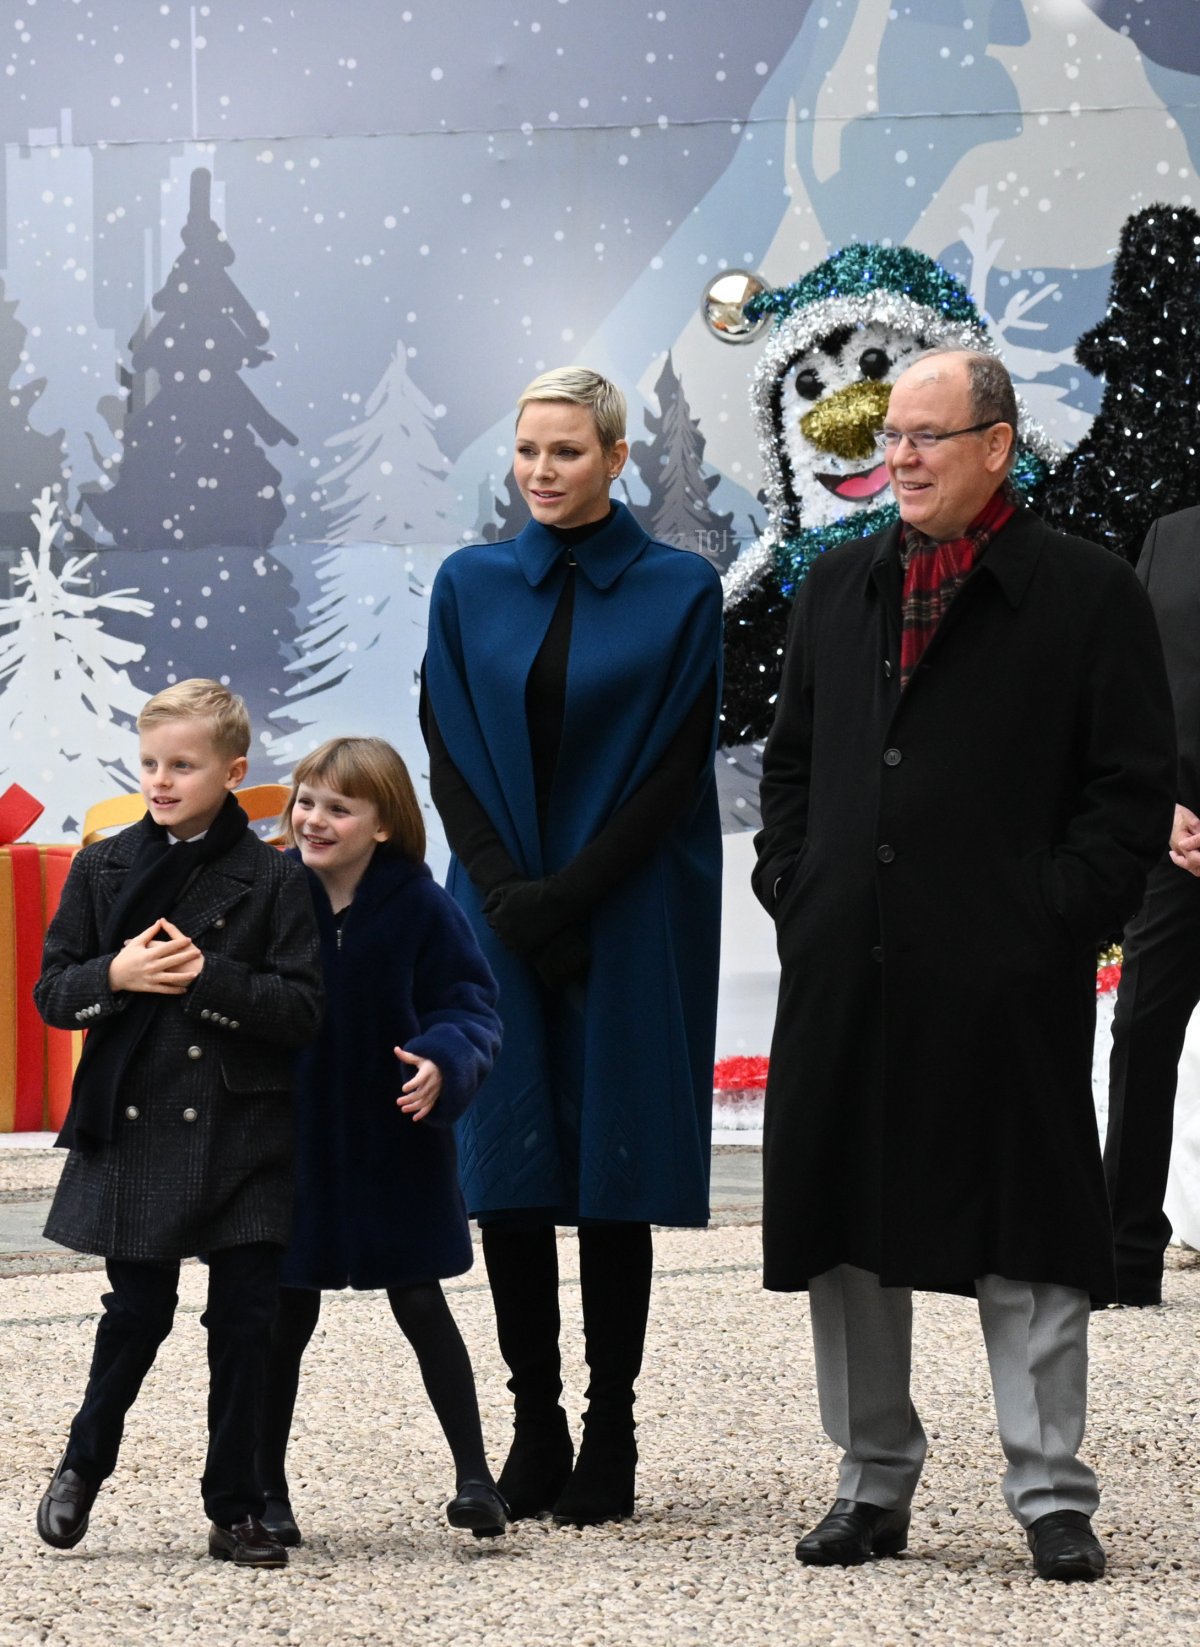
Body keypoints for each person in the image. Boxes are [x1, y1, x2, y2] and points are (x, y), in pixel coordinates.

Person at [752, 349, 1175, 1581]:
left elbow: (1129, 787)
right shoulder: (837, 587)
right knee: (845, 1225)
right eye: (893, 437)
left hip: (1005, 972)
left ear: (997, 445)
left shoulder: (1087, 593)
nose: (904, 458)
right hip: (847, 964)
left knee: (1029, 1227)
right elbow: (790, 767)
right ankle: (870, 1482)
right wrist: (800, 889)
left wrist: (1054, 917)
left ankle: (1050, 1492)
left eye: (931, 436)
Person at [422, 366, 723, 1527]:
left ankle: (612, 1427)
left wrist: (574, 897)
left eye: (567, 452)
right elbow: (445, 744)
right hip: (497, 912)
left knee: (614, 1170)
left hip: (627, 907)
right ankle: (534, 1423)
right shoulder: (470, 584)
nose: (543, 471)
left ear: (614, 458)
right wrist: (505, 891)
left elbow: (670, 767)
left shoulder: (678, 589)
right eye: (528, 451)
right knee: (506, 1167)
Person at [34, 679, 323, 1568]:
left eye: (183, 765)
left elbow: (305, 1010)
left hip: (245, 1136)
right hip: (139, 1124)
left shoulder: (276, 876)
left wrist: (210, 979)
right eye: (151, 762)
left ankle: (235, 1506)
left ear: (232, 771)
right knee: (137, 1313)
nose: (161, 780)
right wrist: (115, 976)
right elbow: (53, 990)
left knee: (248, 1321)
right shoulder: (102, 865)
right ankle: (83, 1464)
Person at [256, 737, 507, 1546]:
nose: (314, 818)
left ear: (385, 824)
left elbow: (470, 1008)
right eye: (306, 800)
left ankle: (477, 1480)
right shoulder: (270, 898)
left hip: (395, 1147)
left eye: (339, 806)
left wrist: (443, 1060)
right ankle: (265, 1487)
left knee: (423, 1305)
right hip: (289, 1152)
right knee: (280, 1320)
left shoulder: (421, 906)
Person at [1103, 504, 1200, 1305]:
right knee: (1140, 1029)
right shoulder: (1169, 534)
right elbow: (1129, 683)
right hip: (1178, 838)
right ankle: (1126, 1255)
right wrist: (1159, 802)